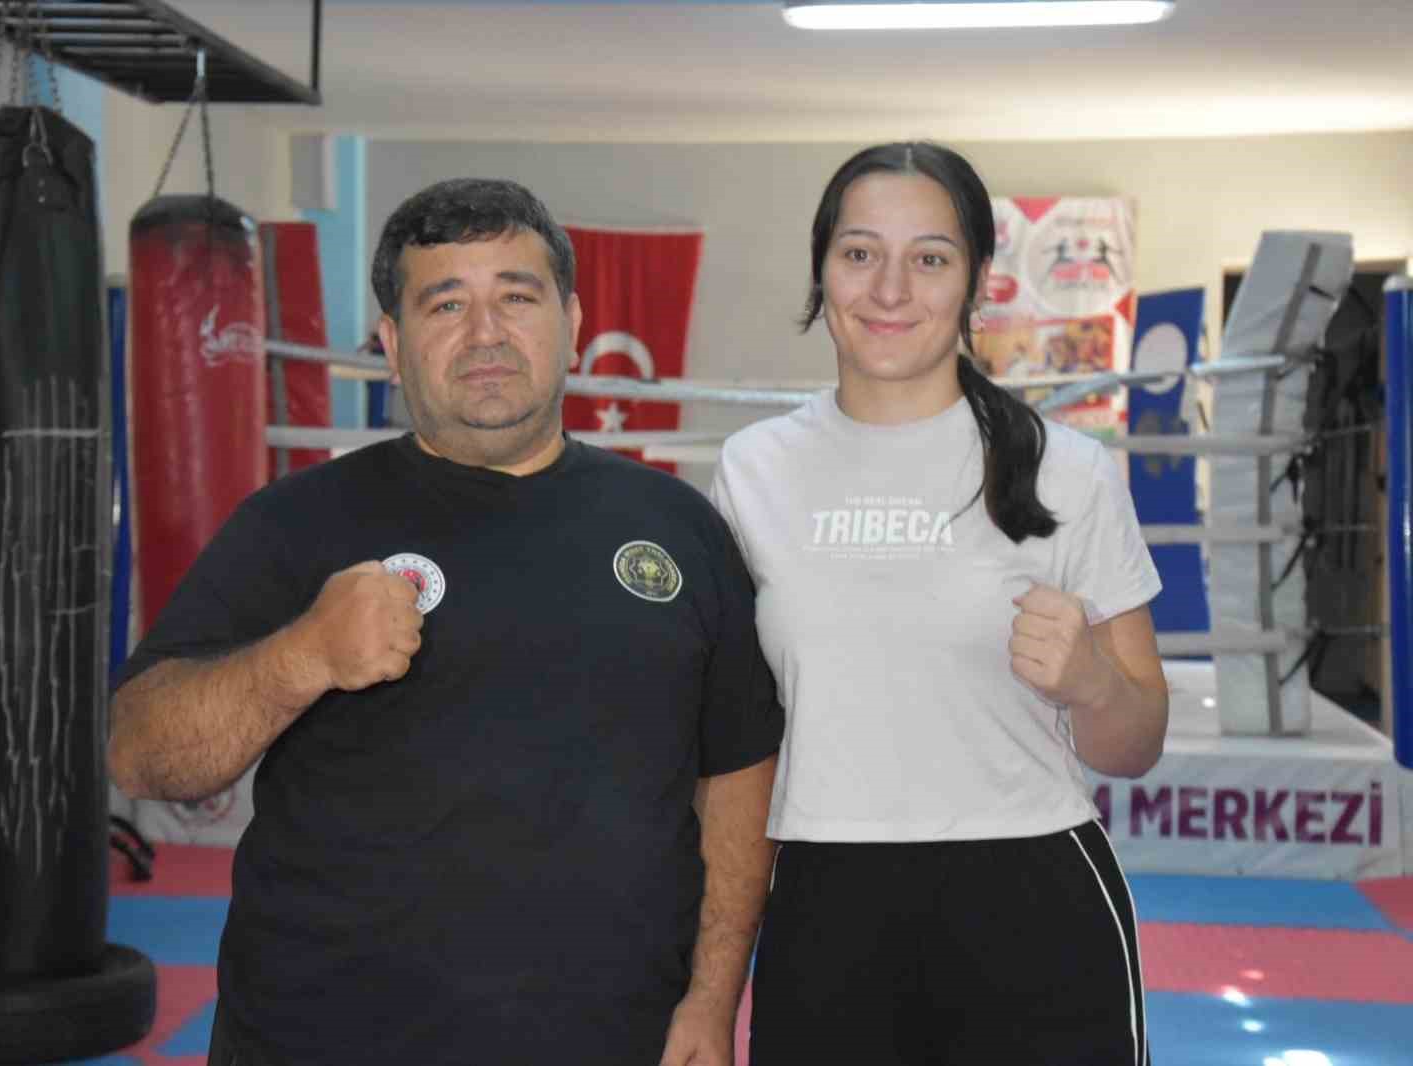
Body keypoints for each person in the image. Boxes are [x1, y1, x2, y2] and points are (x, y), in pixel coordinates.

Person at [108, 177, 783, 1066]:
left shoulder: (677, 528)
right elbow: (141, 755)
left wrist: (712, 998)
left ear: (572, 321)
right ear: (393, 344)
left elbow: (738, 773)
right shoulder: (295, 524)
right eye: (446, 304)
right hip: (326, 1041)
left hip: (613, 1036)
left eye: (517, 297)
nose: (486, 333)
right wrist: (304, 654)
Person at [709, 143, 1168, 1066]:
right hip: (827, 899)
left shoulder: (1066, 471)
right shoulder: (752, 470)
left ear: (977, 281)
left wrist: (1091, 683)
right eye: (859, 253)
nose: (890, 289)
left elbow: (1137, 744)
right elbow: (732, 740)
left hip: (1032, 894)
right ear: (821, 270)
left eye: (929, 258)